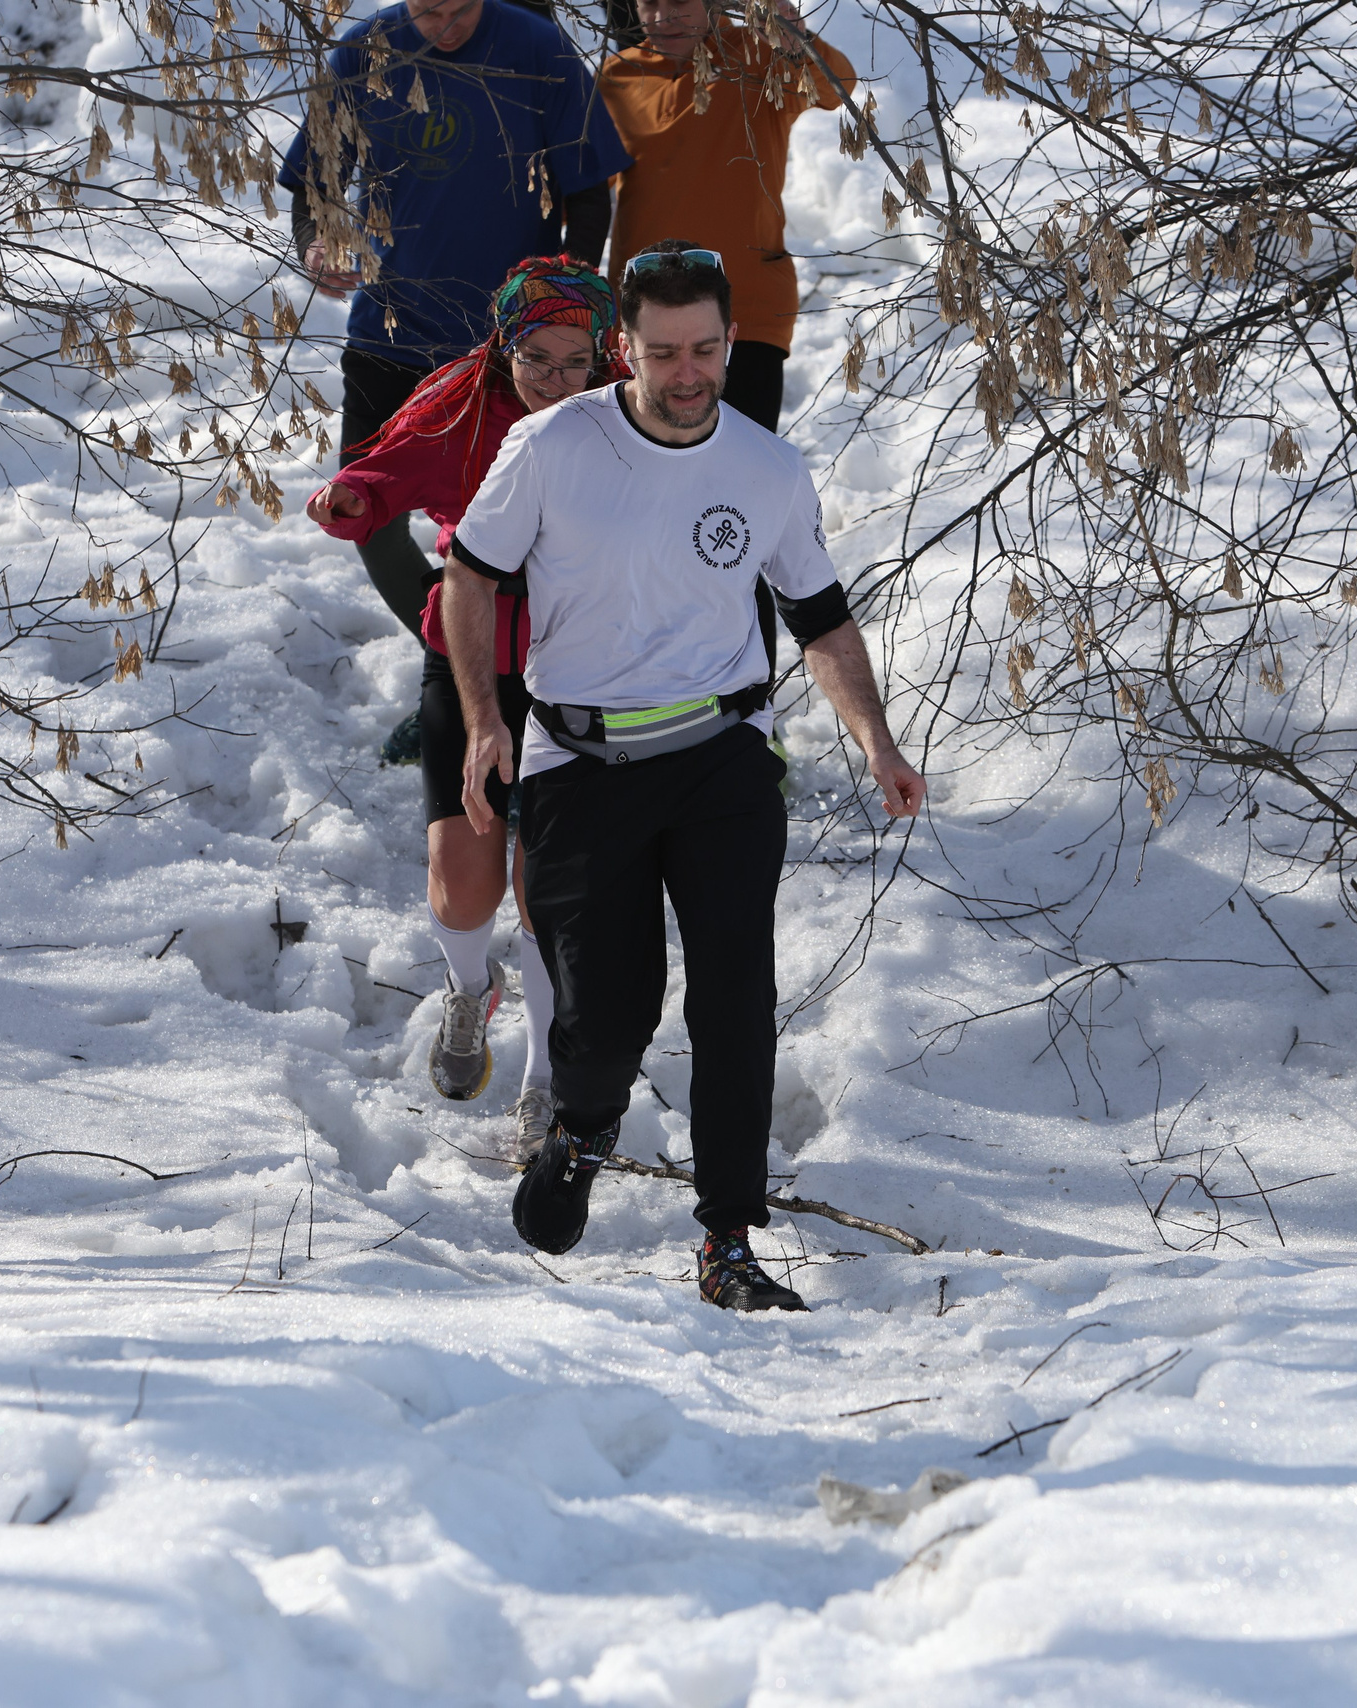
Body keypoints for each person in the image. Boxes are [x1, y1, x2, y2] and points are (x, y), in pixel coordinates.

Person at [442, 242, 925, 1313]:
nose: (687, 370)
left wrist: (876, 742)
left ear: (728, 339)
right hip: (580, 761)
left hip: (721, 757)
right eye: (662, 352)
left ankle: (728, 1241)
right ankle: (580, 1123)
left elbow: (820, 617)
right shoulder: (552, 447)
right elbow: (468, 580)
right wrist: (485, 721)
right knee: (608, 1013)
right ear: (625, 348)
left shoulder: (764, 468)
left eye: (705, 346)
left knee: (735, 1001)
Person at [304, 259, 622, 1154]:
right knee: (464, 879)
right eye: (538, 360)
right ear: (505, 347)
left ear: (603, 351)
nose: (557, 382)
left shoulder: (627, 408)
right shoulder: (460, 404)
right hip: (473, 659)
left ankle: (543, 1082)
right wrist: (351, 497)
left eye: (576, 360)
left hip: (583, 668)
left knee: (548, 893)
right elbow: (383, 474)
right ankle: (470, 986)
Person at [279, 0, 632, 764]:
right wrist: (314, 244)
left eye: (460, 6)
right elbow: (315, 180)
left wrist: (567, 299)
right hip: (392, 330)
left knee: (504, 531)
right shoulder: (364, 50)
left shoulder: (536, 48)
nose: (444, 23)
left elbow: (586, 190)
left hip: (511, 352)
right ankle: (458, 672)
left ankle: (530, 696)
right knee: (366, 514)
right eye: (428, 7)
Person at [599, 0, 854, 432]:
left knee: (740, 479)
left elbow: (834, 86)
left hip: (744, 313)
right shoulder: (617, 76)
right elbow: (581, 192)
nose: (663, 18)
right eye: (649, 4)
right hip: (644, 318)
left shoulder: (755, 52)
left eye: (679, 2)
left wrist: (795, 40)